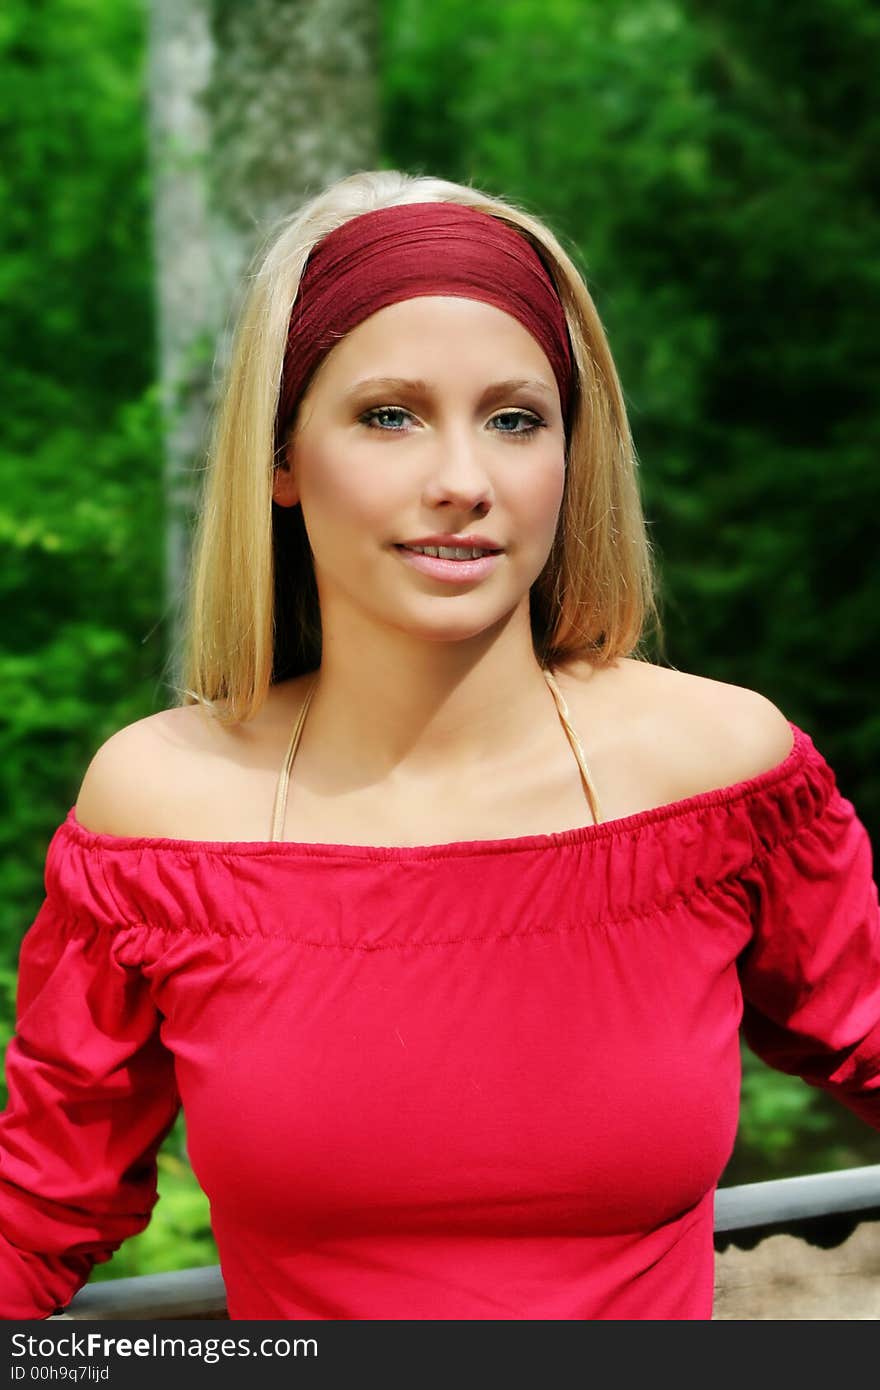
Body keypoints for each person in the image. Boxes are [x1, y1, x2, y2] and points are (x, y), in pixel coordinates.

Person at [1, 169, 878, 1322]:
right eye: (388, 414)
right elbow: (36, 1209)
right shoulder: (164, 810)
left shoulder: (720, 772)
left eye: (516, 419)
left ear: (572, 456)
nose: (462, 481)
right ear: (279, 458)